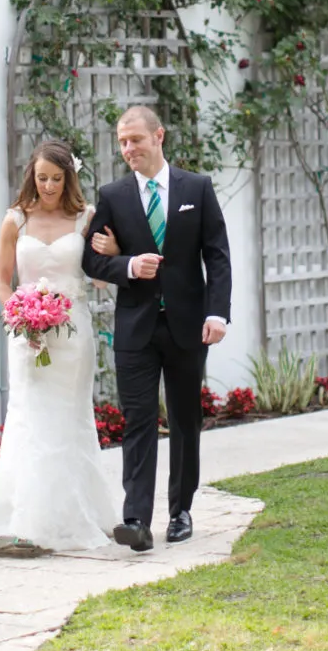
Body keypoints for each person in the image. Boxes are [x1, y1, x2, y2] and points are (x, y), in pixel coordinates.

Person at [82, 105, 231, 552]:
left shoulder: (197, 188)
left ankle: (180, 511)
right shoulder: (113, 195)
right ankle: (136, 520)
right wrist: (127, 264)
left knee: (186, 419)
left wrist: (217, 313)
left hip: (189, 326)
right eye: (122, 142)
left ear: (158, 136)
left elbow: (216, 254)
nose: (128, 149)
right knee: (138, 421)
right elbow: (90, 259)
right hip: (136, 329)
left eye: (136, 140)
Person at [0, 139, 118, 552]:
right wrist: (18, 315)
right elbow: (3, 280)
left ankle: (77, 514)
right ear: (32, 176)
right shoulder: (15, 220)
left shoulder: (85, 217)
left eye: (57, 179)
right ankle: (25, 517)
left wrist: (114, 251)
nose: (49, 186)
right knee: (29, 416)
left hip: (72, 331)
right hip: (27, 333)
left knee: (69, 418)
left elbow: (100, 274)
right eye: (42, 178)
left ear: (68, 177)